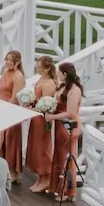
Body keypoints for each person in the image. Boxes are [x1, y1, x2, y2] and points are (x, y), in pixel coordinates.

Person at [50, 59, 84, 201]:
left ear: (65, 73)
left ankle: (68, 190)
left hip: (68, 126)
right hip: (59, 125)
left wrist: (53, 116)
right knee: (60, 156)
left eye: (59, 72)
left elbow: (70, 113)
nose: (57, 74)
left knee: (67, 159)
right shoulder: (63, 87)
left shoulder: (74, 90)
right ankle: (59, 187)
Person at [25, 54, 60, 193]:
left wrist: (30, 108)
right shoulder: (41, 79)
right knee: (35, 147)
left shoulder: (48, 84)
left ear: (46, 69)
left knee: (42, 148)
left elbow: (44, 106)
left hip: (42, 120)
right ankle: (39, 178)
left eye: (40, 67)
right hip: (36, 118)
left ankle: (45, 178)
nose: (37, 69)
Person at [0, 49, 28, 183]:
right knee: (3, 141)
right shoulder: (5, 73)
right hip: (2, 108)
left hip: (11, 111)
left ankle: (14, 172)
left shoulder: (18, 76)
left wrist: (5, 109)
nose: (8, 62)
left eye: (10, 60)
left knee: (11, 142)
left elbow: (15, 97)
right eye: (6, 59)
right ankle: (5, 169)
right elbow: (1, 91)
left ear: (17, 62)